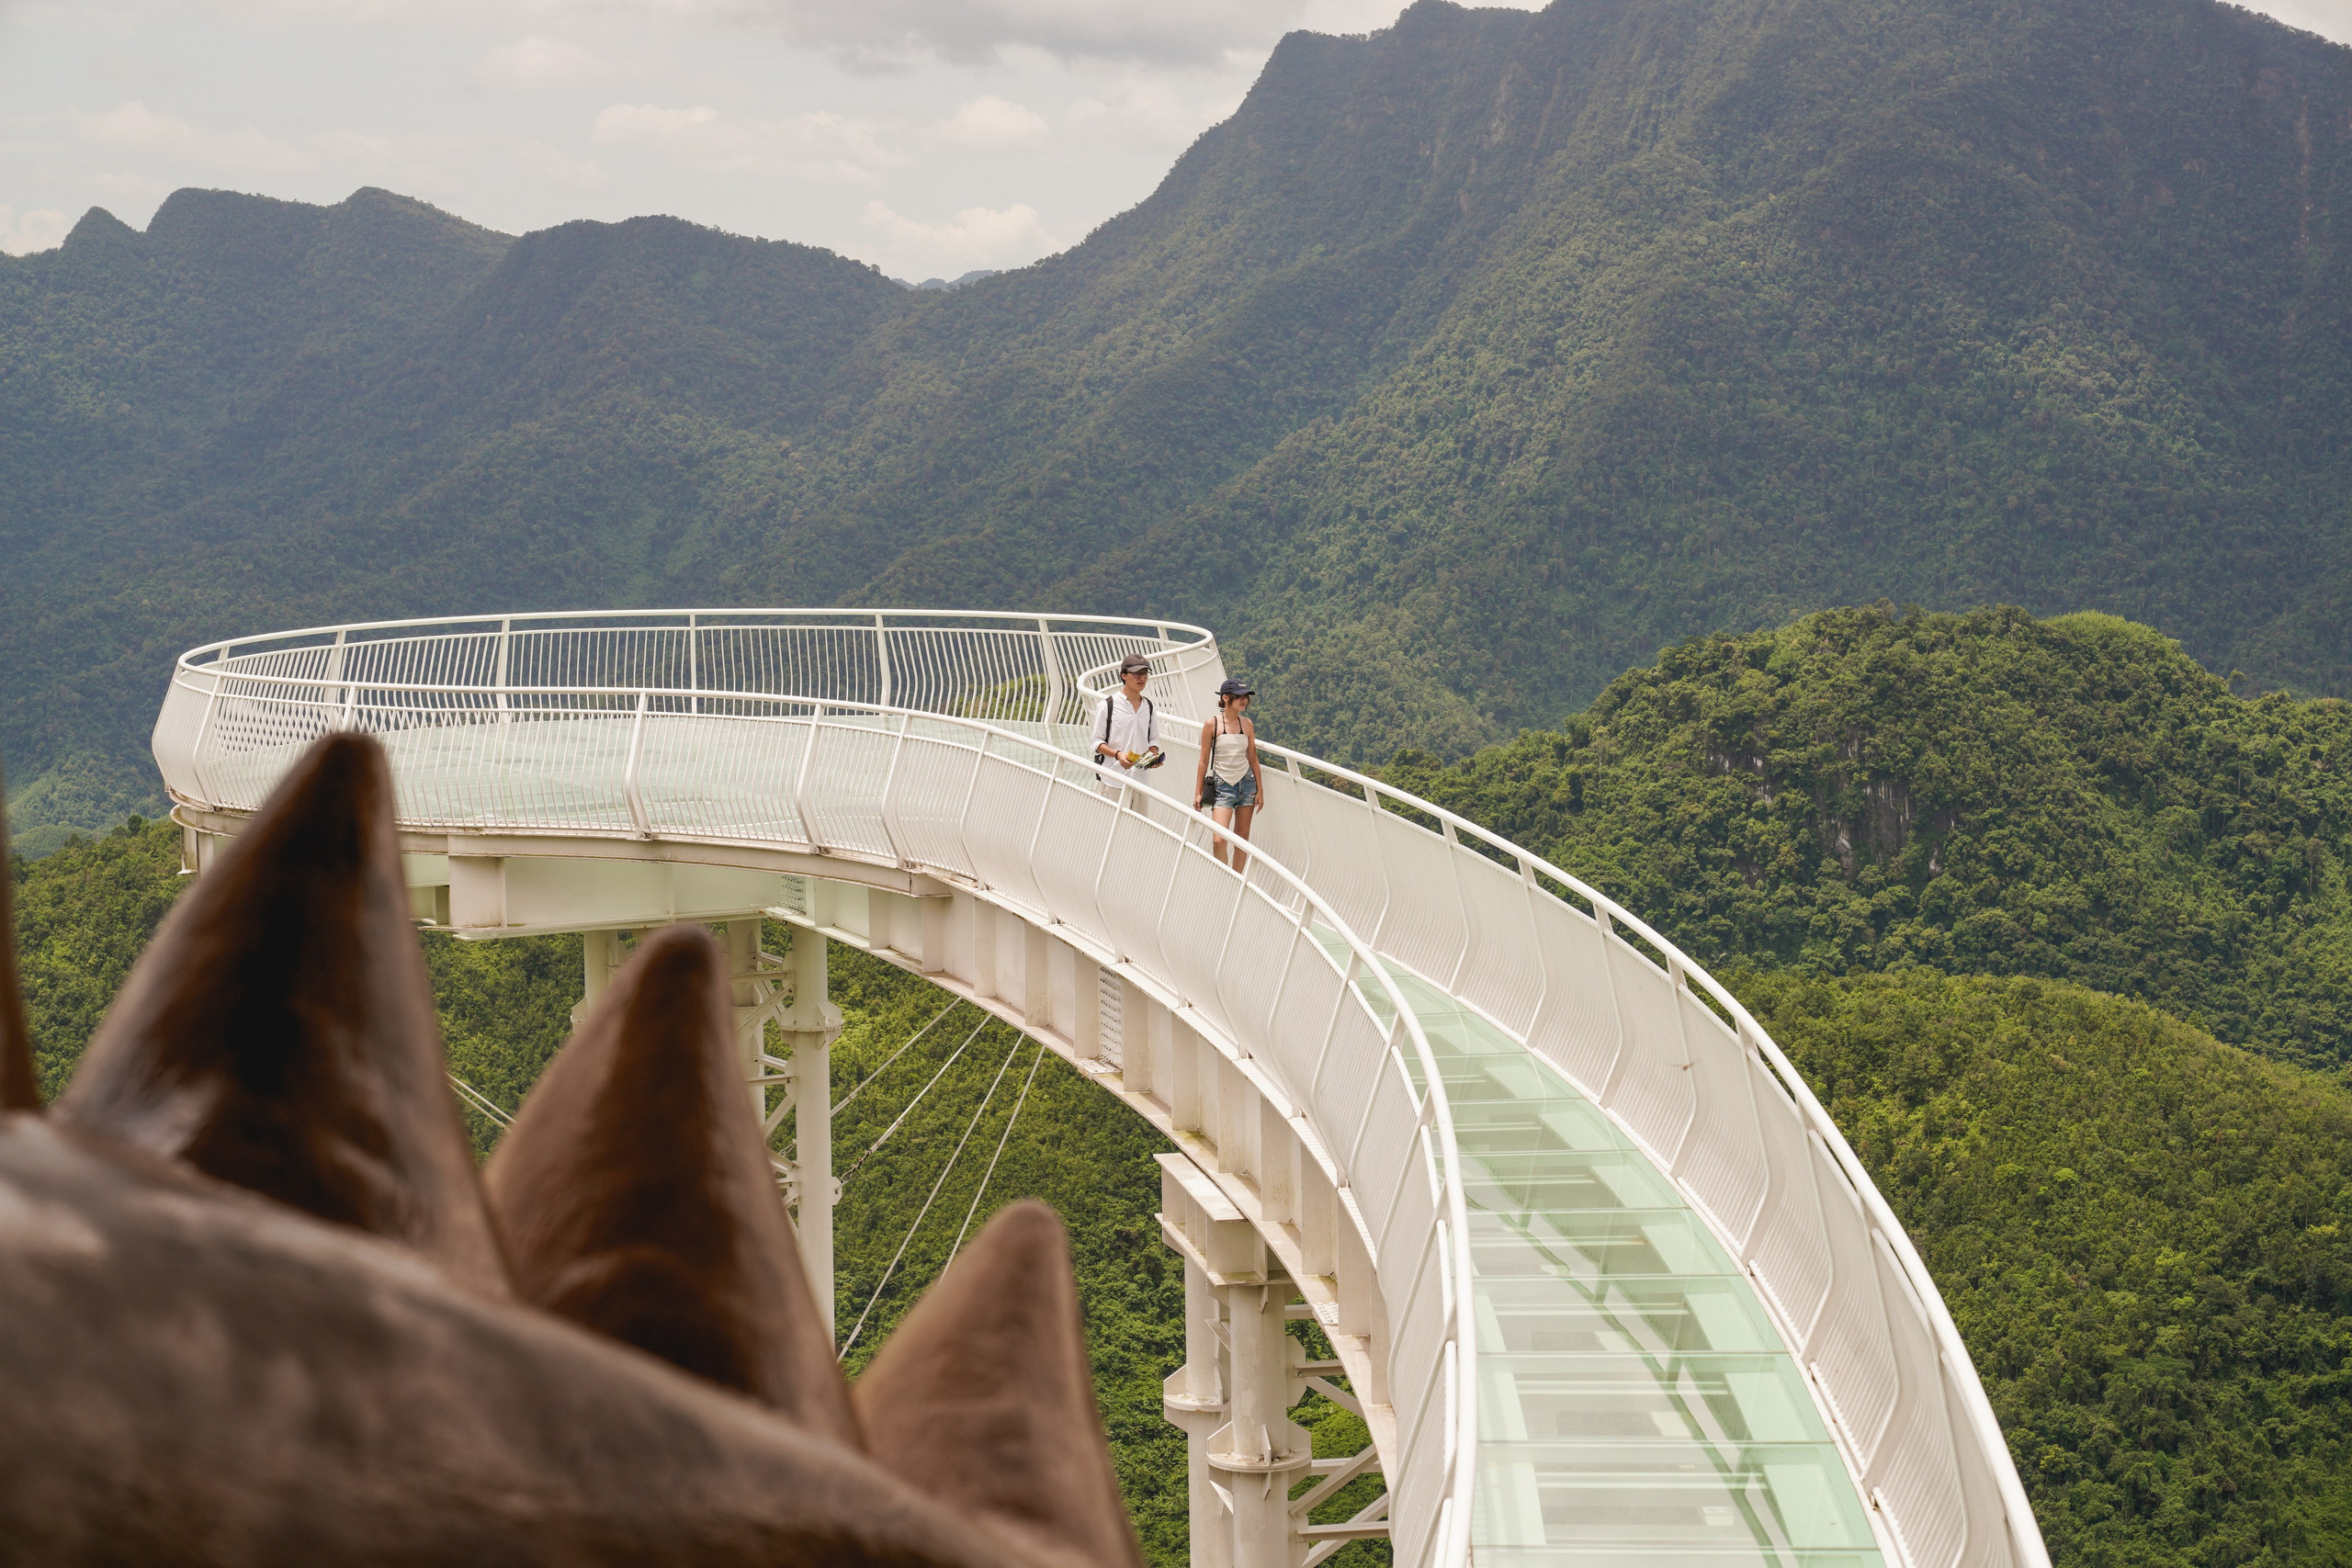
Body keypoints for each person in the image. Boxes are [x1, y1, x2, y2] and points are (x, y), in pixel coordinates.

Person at [1193, 678, 1266, 871]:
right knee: (1218, 840)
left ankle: (1237, 879)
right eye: (1239, 696)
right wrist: (1198, 792)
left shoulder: (1247, 724)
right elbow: (1203, 759)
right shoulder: (1212, 724)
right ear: (1225, 698)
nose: (1244, 700)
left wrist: (1260, 790)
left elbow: (1253, 759)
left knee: (1242, 839)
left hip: (1247, 785)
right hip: (1222, 786)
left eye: (1246, 697)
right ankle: (1224, 877)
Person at [1092, 653, 1163, 795]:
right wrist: (1118, 755)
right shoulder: (1107, 706)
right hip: (1113, 780)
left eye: (1145, 673)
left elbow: (1153, 740)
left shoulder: (1149, 707)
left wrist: (1153, 756)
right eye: (1137, 674)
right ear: (1123, 675)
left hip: (1141, 782)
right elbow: (1096, 743)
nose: (1142, 678)